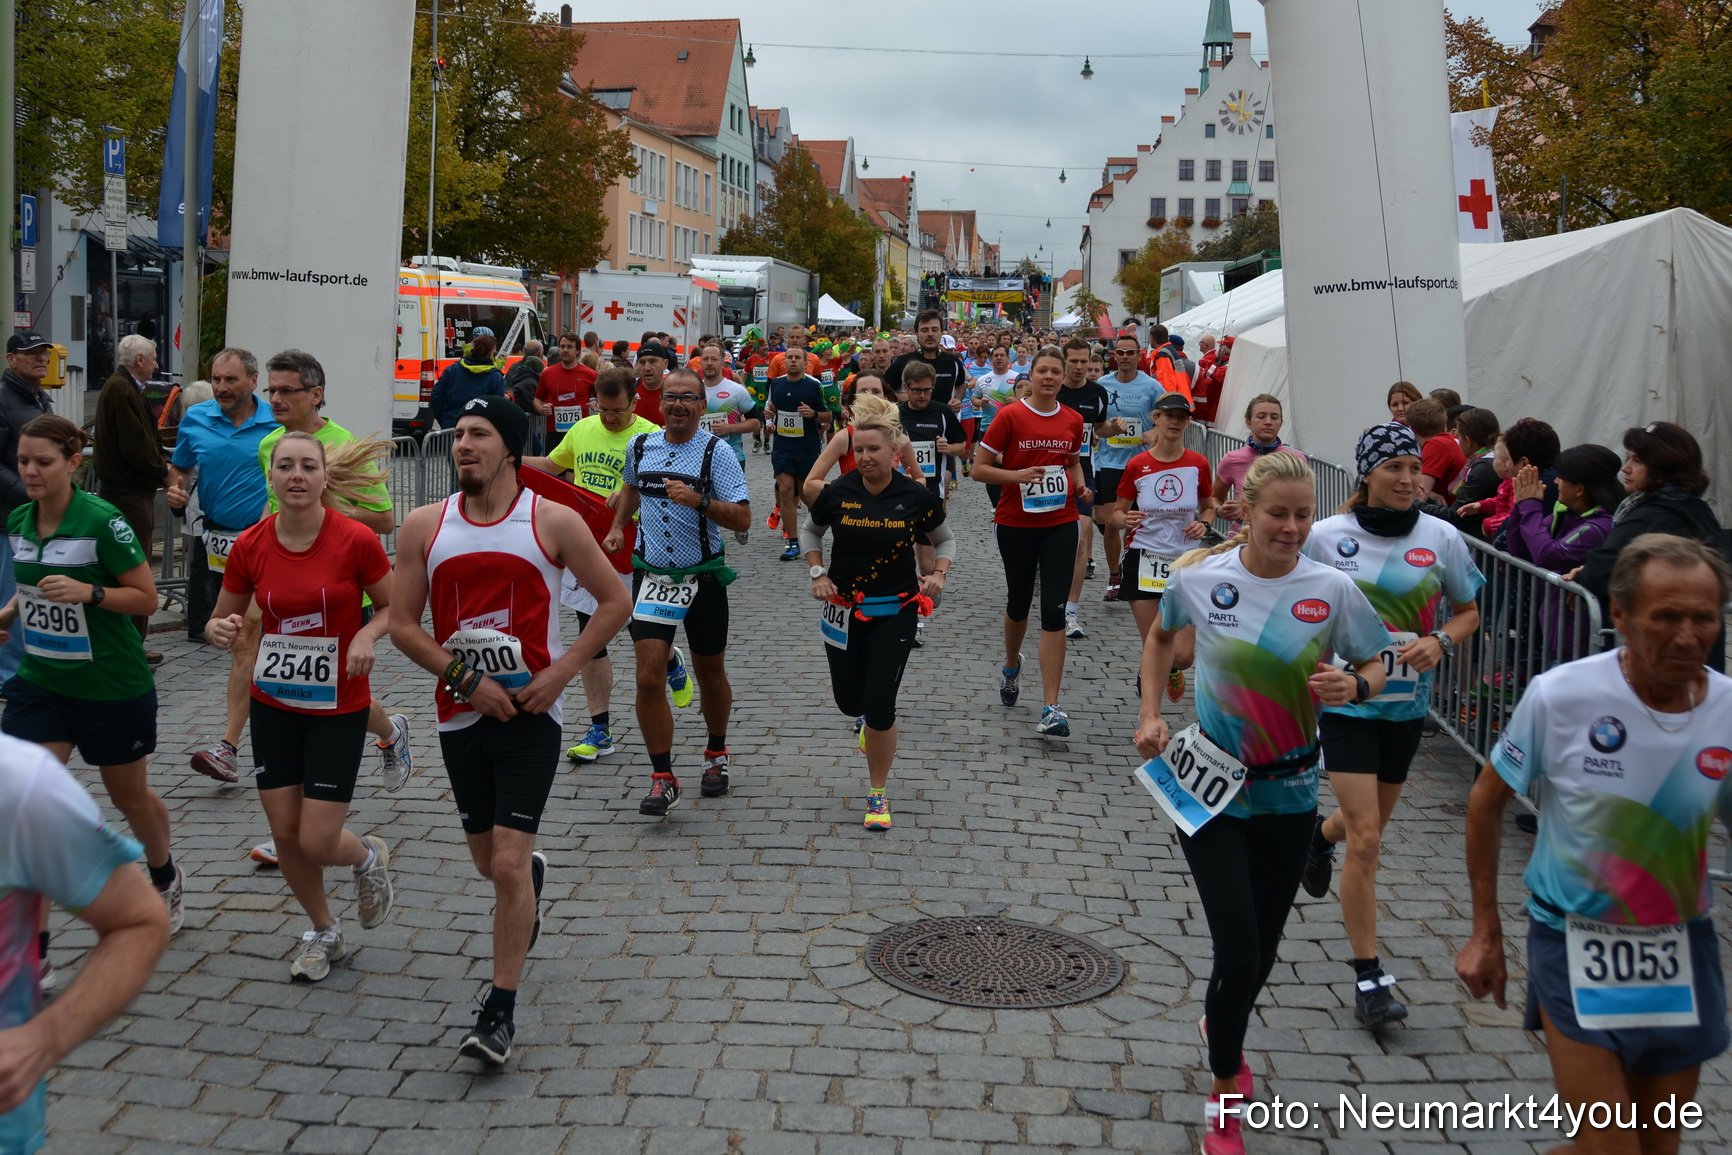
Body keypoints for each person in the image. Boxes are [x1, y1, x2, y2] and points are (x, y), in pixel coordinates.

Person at [1133, 450, 1391, 1155]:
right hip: (1209, 787)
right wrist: (1153, 711)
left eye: (1304, 514)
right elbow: (1160, 640)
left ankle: (1223, 1024)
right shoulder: (1201, 576)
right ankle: (1224, 1095)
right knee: (1239, 951)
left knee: (1265, 949)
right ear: (1244, 511)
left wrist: (1358, 688)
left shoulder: (1332, 589)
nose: (1291, 526)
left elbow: (1377, 658)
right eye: (1277, 513)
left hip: (1289, 792)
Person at [1456, 535, 1732, 1155]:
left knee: (1655, 1149)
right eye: (1666, 617)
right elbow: (1486, 801)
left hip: (1681, 947)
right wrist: (1484, 931)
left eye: (1704, 618)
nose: (1688, 636)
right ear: (1622, 615)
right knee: (1612, 1147)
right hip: (1575, 938)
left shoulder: (1727, 710)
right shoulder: (1564, 695)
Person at [392, 395, 629, 1064]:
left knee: (503, 862)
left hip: (532, 715)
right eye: (458, 434)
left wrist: (560, 674)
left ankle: (498, 1011)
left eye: (478, 434)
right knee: (489, 864)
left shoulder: (550, 521)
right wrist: (465, 679)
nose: (462, 444)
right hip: (460, 711)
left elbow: (615, 602)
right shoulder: (422, 526)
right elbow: (405, 625)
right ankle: (527, 879)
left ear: (509, 446)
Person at [1300, 422, 1484, 1028]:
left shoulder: (1442, 537)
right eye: (1394, 469)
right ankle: (1369, 976)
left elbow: (1468, 611)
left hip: (1406, 707)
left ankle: (1317, 838)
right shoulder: (1326, 537)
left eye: (1414, 468)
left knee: (1363, 827)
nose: (1408, 479)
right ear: (1367, 475)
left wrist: (1439, 640)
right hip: (1346, 702)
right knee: (1370, 839)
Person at [204, 431, 398, 982]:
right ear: (270, 478)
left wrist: (364, 637)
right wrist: (220, 629)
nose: (296, 475)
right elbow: (225, 618)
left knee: (316, 837)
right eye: (285, 466)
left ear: (323, 478)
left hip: (338, 705)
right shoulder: (251, 544)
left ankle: (365, 858)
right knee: (285, 833)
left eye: (307, 466)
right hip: (275, 703)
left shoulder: (354, 540)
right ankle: (323, 931)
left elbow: (393, 608)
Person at [188, 351, 408, 805]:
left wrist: (320, 514)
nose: (275, 399)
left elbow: (385, 520)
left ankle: (388, 731)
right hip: (276, 566)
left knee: (332, 684)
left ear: (315, 395)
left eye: (286, 390)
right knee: (251, 641)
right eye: (271, 389)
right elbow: (270, 504)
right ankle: (230, 746)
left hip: (332, 574)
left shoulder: (342, 444)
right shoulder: (270, 444)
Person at [0, 416, 184, 939]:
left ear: (72, 464)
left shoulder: (103, 521)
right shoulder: (18, 520)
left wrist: (90, 593)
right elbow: (33, 585)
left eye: (43, 462)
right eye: (23, 461)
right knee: (27, 806)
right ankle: (32, 949)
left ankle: (163, 873)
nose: (30, 472)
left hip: (109, 684)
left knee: (129, 798)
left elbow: (146, 598)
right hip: (41, 683)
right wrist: (10, 613)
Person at [0, 733, 168, 1155]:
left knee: (129, 795)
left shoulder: (19, 783)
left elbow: (138, 921)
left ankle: (166, 870)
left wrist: (44, 1038)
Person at [603, 369, 752, 812]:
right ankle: (662, 776)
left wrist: (700, 501)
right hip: (652, 576)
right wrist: (616, 529)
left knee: (711, 675)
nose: (679, 406)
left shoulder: (717, 453)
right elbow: (631, 486)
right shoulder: (641, 445)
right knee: (648, 677)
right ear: (660, 404)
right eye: (671, 398)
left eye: (689, 398)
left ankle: (716, 753)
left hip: (703, 577)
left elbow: (743, 519)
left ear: (702, 407)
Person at [804, 397, 954, 828]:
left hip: (896, 612)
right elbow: (812, 530)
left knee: (880, 705)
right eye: (859, 451)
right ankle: (868, 722)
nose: (865, 457)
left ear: (894, 452)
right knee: (850, 703)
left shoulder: (915, 496)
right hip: (842, 612)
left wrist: (939, 573)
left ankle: (877, 794)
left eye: (874, 450)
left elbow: (945, 541)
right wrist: (817, 572)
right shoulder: (838, 492)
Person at [524, 368, 663, 764]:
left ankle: (670, 659)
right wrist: (510, 460)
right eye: (602, 410)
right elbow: (552, 466)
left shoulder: (651, 435)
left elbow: (662, 486)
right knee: (591, 638)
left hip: (636, 548)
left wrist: (630, 490)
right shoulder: (583, 429)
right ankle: (600, 729)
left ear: (634, 403)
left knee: (643, 636)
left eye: (617, 411)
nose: (609, 418)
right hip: (589, 548)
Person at [970, 346, 1090, 738]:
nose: (1050, 377)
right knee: (1019, 602)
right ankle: (1010, 664)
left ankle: (1052, 706)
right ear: (1032, 374)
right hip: (1016, 523)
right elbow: (978, 470)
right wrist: (1018, 477)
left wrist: (1080, 485)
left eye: (1056, 371)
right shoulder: (1010, 416)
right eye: (1043, 371)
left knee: (1053, 612)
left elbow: (1072, 460)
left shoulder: (1073, 420)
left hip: (1060, 521)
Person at [1575, 422, 1731, 670]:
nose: (1626, 469)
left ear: (1662, 468)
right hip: (1692, 656)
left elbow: (1603, 571)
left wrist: (1583, 573)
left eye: (1636, 461)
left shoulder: (1653, 515)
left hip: (1659, 656)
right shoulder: (1695, 508)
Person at [166, 347, 276, 645]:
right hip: (214, 533)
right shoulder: (196, 418)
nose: (221, 387)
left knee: (259, 625)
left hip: (262, 534)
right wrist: (176, 490)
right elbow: (181, 466)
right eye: (216, 379)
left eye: (230, 379)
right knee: (223, 618)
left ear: (253, 381)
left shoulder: (276, 421)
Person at [1112, 392, 1215, 702]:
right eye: (1169, 415)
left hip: (1186, 561)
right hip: (1144, 556)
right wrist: (1124, 519)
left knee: (1182, 656)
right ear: (1156, 418)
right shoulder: (1138, 464)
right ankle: (1149, 717)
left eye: (1181, 417)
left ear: (1187, 423)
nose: (1175, 421)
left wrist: (1205, 524)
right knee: (1154, 645)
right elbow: (1115, 513)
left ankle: (1173, 669)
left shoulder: (1198, 464)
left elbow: (1209, 507)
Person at [1505, 444, 1622, 665]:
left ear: (1579, 489)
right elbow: (1518, 549)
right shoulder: (1569, 515)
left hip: (1580, 648)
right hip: (1557, 639)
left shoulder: (1599, 526)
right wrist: (1520, 505)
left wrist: (1530, 505)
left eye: (1562, 477)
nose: (1556, 482)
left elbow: (1547, 554)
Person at [92, 333, 167, 657]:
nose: (156, 364)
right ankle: (130, 647)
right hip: (128, 495)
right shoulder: (121, 389)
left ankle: (133, 643)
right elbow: (136, 444)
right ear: (139, 360)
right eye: (152, 358)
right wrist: (164, 471)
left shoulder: (123, 387)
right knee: (134, 569)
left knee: (131, 567)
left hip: (129, 492)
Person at [0, 333, 55, 686]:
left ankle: (28, 669)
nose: (40, 357)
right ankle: (8, 676)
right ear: (11, 359)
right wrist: (31, 491)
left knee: (32, 593)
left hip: (36, 518)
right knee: (10, 598)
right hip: (9, 517)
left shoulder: (41, 398)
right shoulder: (3, 399)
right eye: (30, 353)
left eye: (43, 352)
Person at [1092, 334, 1163, 602]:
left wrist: (1153, 432)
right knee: (1112, 523)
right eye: (1120, 353)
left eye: (1129, 353)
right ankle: (1114, 576)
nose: (1124, 357)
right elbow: (1095, 421)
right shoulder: (1102, 384)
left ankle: (1130, 571)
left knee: (1136, 524)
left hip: (1141, 464)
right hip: (1110, 462)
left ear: (1138, 355)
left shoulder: (1152, 386)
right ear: (1113, 356)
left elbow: (1164, 419)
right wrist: (1098, 433)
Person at [801, 373, 925, 507]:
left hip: (890, 514)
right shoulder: (845, 437)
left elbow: (921, 479)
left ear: (886, 397)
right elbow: (810, 485)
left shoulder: (899, 438)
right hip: (852, 514)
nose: (870, 396)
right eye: (863, 392)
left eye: (876, 391)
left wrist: (907, 485)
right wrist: (852, 490)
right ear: (853, 399)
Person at [1057, 338, 1111, 639]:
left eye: (1084, 361)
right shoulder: (1053, 389)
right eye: (1074, 361)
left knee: (1080, 538)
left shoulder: (1098, 393)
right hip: (1050, 473)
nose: (1079, 367)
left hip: (1084, 471)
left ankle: (1070, 611)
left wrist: (1110, 430)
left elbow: (1098, 427)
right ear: (1065, 361)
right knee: (1050, 542)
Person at [765, 346, 831, 561]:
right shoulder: (777, 384)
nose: (792, 361)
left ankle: (814, 533)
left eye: (797, 358)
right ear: (784, 362)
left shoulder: (814, 385)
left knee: (806, 494)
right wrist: (768, 421)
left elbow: (829, 415)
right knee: (785, 491)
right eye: (789, 358)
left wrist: (813, 414)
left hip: (807, 446)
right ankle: (792, 543)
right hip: (783, 446)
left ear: (805, 363)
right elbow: (769, 408)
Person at [1212, 394, 1305, 535]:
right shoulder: (1232, 459)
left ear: (1281, 423)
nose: (1268, 422)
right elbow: (1214, 498)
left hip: (1283, 533)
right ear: (1248, 422)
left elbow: (1305, 502)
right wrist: (1219, 510)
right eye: (1261, 417)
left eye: (1274, 417)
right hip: (1244, 535)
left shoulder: (1296, 460)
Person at [885, 309, 969, 407]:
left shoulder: (954, 362)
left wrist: (957, 399)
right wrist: (907, 397)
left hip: (944, 420)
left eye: (934, 330)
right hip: (909, 421)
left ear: (941, 332)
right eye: (925, 330)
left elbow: (961, 384)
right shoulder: (903, 362)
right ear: (916, 333)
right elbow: (884, 391)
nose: (930, 334)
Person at [430, 328, 506, 430]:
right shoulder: (495, 376)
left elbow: (436, 396)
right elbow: (498, 408)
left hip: (451, 426)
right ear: (491, 352)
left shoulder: (453, 369)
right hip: (480, 430)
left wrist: (444, 419)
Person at [1443, 407, 1502, 539]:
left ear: (1468, 441)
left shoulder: (1483, 468)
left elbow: (1456, 514)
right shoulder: (1488, 460)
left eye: (1458, 437)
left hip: (1482, 539)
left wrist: (1418, 505)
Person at [536, 332, 598, 451]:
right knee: (552, 469)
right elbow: (538, 399)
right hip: (555, 433)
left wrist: (597, 402)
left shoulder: (590, 374)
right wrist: (541, 408)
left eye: (569, 347)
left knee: (575, 469)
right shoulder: (547, 373)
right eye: (562, 346)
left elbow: (603, 396)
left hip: (580, 432)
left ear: (578, 351)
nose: (565, 350)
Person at [1406, 398, 1466, 503]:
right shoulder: (1451, 440)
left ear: (1412, 429)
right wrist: (1432, 494)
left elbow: (1420, 496)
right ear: (1445, 423)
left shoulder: (1436, 445)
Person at [505, 339, 546, 453]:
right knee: (536, 450)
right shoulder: (530, 381)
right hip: (520, 417)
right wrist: (541, 408)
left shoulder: (515, 368)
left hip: (517, 417)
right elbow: (529, 403)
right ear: (540, 355)